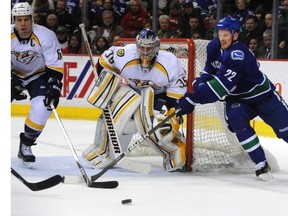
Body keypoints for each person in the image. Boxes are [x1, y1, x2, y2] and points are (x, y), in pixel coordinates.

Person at [175, 16, 288, 181]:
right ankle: (261, 163)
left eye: (226, 34)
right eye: (220, 34)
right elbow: (210, 69)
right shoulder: (214, 46)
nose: (222, 38)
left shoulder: (237, 55)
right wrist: (201, 80)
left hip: (263, 96)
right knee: (236, 121)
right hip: (238, 99)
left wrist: (191, 99)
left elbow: (220, 87)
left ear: (235, 35)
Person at [82, 29, 187, 172]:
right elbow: (103, 63)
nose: (144, 52)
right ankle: (106, 152)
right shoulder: (125, 54)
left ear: (156, 47)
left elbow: (177, 91)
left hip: (159, 96)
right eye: (142, 48)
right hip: (133, 92)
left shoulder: (170, 62)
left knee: (157, 126)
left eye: (148, 48)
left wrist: (172, 111)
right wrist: (103, 82)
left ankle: (175, 151)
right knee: (116, 117)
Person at [11, 2, 64, 166]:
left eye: (26, 19)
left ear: (32, 19)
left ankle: (26, 145)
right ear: (14, 20)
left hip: (38, 75)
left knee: (43, 108)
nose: (23, 24)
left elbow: (54, 65)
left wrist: (54, 86)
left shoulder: (46, 36)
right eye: (19, 20)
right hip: (12, 74)